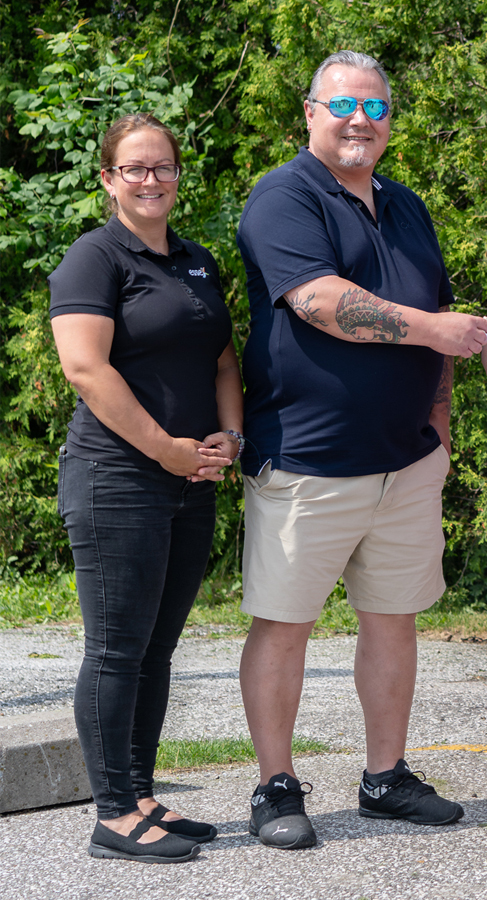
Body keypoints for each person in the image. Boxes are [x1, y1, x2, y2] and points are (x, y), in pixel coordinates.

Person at [234, 50, 487, 849]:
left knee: (393, 622)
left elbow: (439, 322)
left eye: (375, 110)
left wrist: (440, 435)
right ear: (310, 112)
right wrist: (432, 331)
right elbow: (318, 302)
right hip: (307, 461)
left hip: (405, 464)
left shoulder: (406, 206)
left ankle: (387, 777)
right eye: (342, 105)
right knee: (283, 625)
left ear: (389, 123)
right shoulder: (284, 196)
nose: (358, 122)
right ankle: (275, 787)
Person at [50, 112, 242, 863]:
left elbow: (224, 356)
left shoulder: (196, 260)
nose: (151, 179)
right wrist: (164, 449)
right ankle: (111, 814)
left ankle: (140, 795)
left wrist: (230, 434)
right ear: (108, 179)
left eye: (162, 166)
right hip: (117, 477)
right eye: (134, 168)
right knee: (115, 650)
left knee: (157, 650)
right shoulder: (94, 258)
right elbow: (85, 368)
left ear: (177, 173)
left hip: (190, 480)